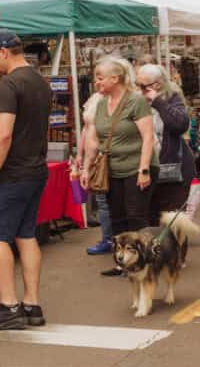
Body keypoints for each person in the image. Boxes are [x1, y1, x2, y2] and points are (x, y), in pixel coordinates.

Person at [0, 30, 51, 331]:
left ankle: (9, 305)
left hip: (11, 172)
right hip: (36, 169)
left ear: (5, 51)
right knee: (26, 234)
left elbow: (3, 134)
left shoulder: (8, 85)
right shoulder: (39, 81)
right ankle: (32, 304)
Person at [81, 57, 157, 277]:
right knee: (117, 217)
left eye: (100, 77)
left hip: (136, 167)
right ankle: (122, 262)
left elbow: (148, 137)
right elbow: (94, 140)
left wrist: (144, 169)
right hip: (112, 170)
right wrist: (86, 167)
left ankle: (144, 262)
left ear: (116, 78)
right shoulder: (101, 103)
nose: (96, 82)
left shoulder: (136, 101)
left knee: (136, 217)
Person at [137, 63, 194, 219]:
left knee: (173, 223)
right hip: (148, 171)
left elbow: (180, 125)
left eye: (142, 86)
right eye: (137, 85)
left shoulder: (172, 98)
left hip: (174, 171)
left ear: (157, 85)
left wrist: (157, 101)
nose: (139, 90)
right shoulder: (137, 102)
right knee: (150, 220)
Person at [77, 92, 115, 255]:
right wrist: (80, 153)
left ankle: (110, 239)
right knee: (101, 197)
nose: (98, 82)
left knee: (105, 198)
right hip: (94, 154)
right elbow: (86, 128)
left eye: (101, 78)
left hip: (105, 154)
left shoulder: (115, 99)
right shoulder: (94, 98)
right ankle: (108, 238)